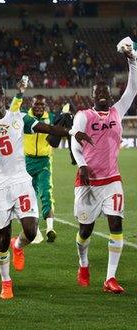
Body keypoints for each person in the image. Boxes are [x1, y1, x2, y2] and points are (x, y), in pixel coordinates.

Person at [0, 82, 92, 300]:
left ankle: (18, 246)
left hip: (21, 181)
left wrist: (72, 133)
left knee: (32, 230)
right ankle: (6, 282)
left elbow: (46, 128)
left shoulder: (19, 118)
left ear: (5, 98)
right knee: (1, 236)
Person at [70, 43, 136, 294]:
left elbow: (133, 88)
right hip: (88, 182)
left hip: (111, 180)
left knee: (116, 225)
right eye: (97, 92)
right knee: (85, 231)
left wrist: (132, 59)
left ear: (109, 94)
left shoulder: (117, 112)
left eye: (105, 92)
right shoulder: (83, 116)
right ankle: (83, 263)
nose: (102, 95)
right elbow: (75, 141)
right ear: (92, 95)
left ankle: (110, 278)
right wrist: (83, 164)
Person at [10, 82, 64, 243]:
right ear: (31, 105)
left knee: (46, 194)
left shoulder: (53, 118)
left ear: (46, 106)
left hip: (45, 162)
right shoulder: (25, 118)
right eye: (36, 104)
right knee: (28, 196)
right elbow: (13, 110)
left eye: (42, 104)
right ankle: (35, 231)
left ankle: (50, 228)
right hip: (26, 162)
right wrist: (19, 94)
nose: (39, 107)